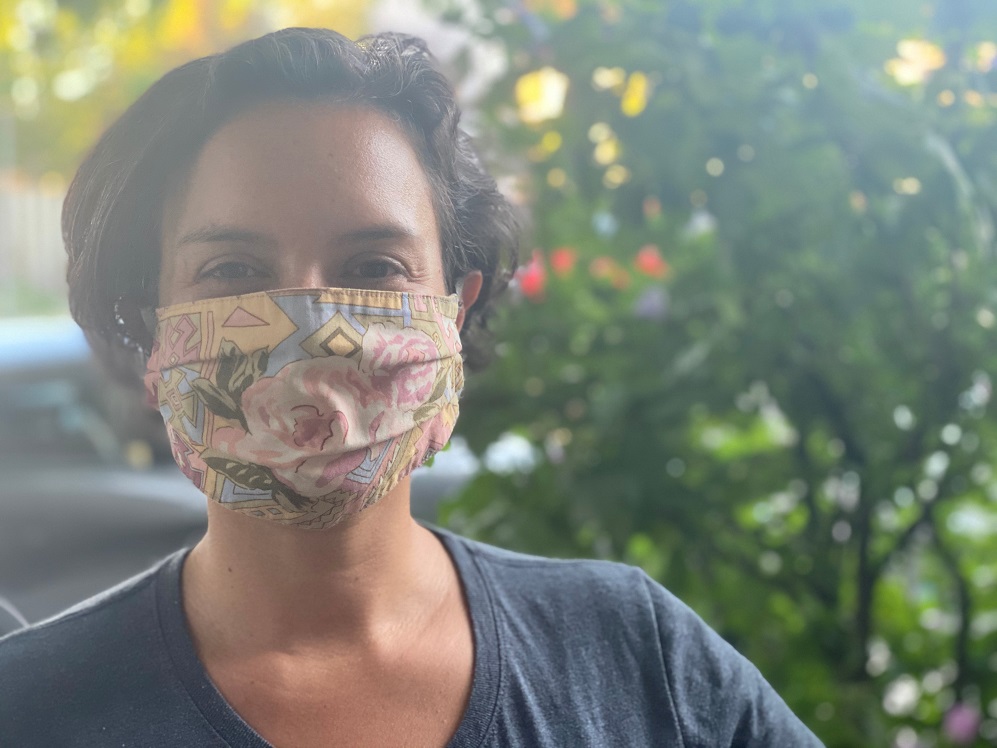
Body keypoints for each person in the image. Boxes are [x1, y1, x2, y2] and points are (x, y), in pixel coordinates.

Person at [0, 28, 824, 747]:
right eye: (234, 270)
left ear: (455, 314)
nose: (307, 321)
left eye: (371, 268)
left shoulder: (633, 656)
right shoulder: (28, 707)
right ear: (156, 326)